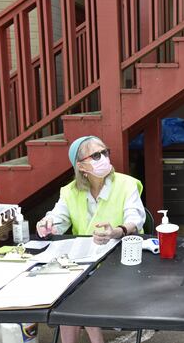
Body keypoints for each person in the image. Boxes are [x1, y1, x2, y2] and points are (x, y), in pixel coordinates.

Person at [37, 135, 146, 343]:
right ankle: (94, 334)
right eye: (96, 155)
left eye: (105, 152)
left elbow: (136, 219)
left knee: (76, 291)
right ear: (81, 166)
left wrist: (116, 231)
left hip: (120, 260)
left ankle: (94, 335)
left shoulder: (126, 184)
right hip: (84, 261)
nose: (104, 158)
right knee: (67, 287)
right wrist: (46, 222)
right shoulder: (70, 191)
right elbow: (58, 219)